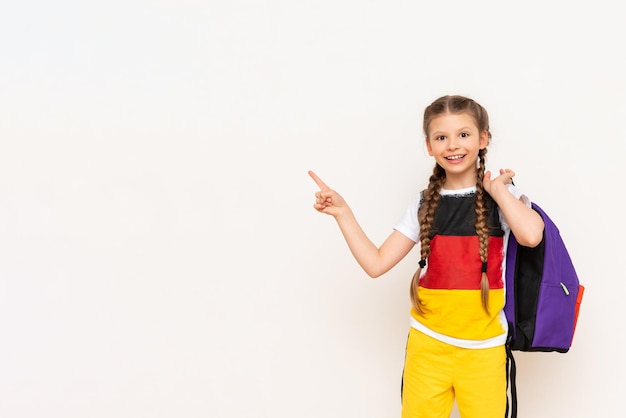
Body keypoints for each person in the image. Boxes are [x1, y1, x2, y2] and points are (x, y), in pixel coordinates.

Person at [308, 94, 545, 418]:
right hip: (427, 348)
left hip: (484, 353)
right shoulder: (423, 203)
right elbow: (376, 264)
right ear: (429, 146)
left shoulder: (502, 196)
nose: (452, 144)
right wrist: (343, 213)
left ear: (483, 138)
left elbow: (531, 236)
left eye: (463, 134)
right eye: (441, 137)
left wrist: (500, 190)